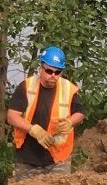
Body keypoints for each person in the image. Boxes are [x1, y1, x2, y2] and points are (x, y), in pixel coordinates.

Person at [6, 46, 83, 178]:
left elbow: (80, 112)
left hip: (59, 159)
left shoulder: (68, 89)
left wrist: (70, 122)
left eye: (57, 72)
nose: (53, 75)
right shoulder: (26, 87)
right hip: (28, 158)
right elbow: (12, 117)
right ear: (41, 68)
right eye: (49, 71)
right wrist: (32, 129)